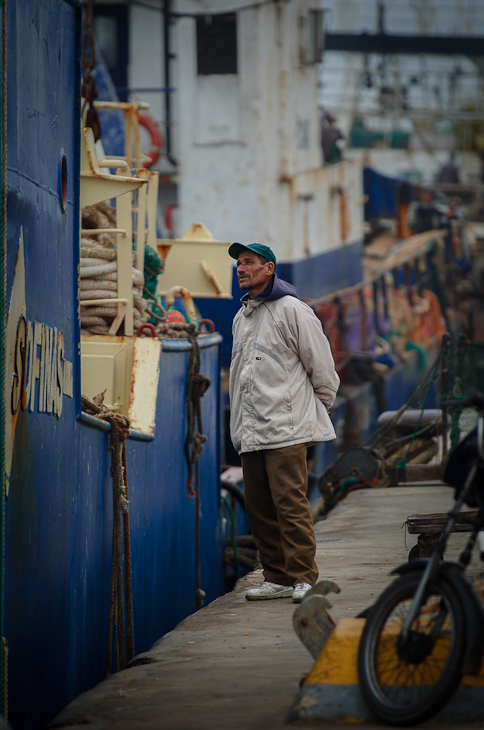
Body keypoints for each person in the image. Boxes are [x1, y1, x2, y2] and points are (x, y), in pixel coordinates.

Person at [228, 242, 340, 603]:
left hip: (286, 429)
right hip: (252, 430)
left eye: (249, 262)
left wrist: (314, 411)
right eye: (239, 263)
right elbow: (240, 377)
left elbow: (321, 366)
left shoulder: (293, 310)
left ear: (269, 268)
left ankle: (304, 577)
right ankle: (276, 577)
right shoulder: (240, 317)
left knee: (291, 506)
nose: (241, 268)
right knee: (259, 509)